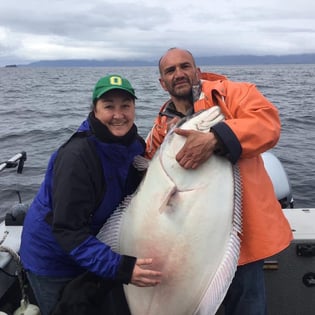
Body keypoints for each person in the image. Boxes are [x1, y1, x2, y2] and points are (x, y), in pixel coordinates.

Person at [145, 47, 293, 315]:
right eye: (170, 70)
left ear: (197, 71)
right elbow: (149, 172)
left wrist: (216, 138)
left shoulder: (233, 94)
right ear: (162, 82)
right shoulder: (161, 124)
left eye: (185, 66)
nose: (179, 74)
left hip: (241, 239)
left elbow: (268, 124)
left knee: (246, 306)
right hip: (189, 241)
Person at [20, 74, 162, 315]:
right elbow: (67, 230)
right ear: (95, 110)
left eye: (125, 106)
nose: (119, 115)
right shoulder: (77, 158)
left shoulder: (135, 146)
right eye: (109, 106)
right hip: (53, 258)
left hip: (94, 245)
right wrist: (122, 268)